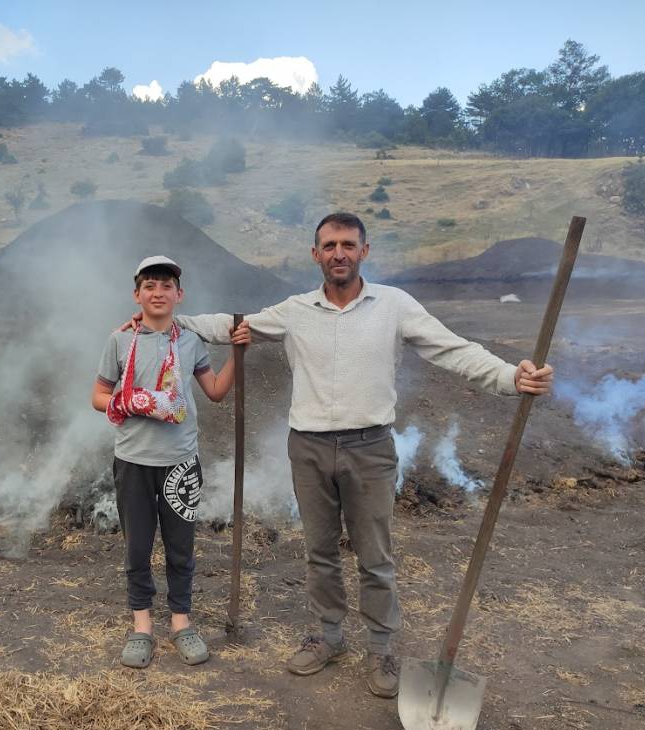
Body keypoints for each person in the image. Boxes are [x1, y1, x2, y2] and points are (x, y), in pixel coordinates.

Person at [132, 213, 554, 697]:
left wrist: (509, 377)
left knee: (375, 556)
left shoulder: (394, 306)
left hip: (370, 447)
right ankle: (326, 637)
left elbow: (452, 350)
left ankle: (381, 649)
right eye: (329, 245)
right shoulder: (295, 310)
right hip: (308, 447)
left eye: (348, 244)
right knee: (320, 551)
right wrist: (162, 320)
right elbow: (231, 326)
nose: (338, 253)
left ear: (364, 251)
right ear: (316, 255)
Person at [93, 256, 236, 669]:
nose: (158, 293)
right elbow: (97, 397)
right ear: (137, 295)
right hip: (133, 461)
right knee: (137, 547)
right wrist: (132, 401)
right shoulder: (119, 342)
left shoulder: (190, 341)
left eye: (166, 286)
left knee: (180, 546)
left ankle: (180, 621)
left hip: (180, 463)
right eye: (150, 286)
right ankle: (142, 627)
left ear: (179, 294)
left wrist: (238, 357)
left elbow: (215, 392)